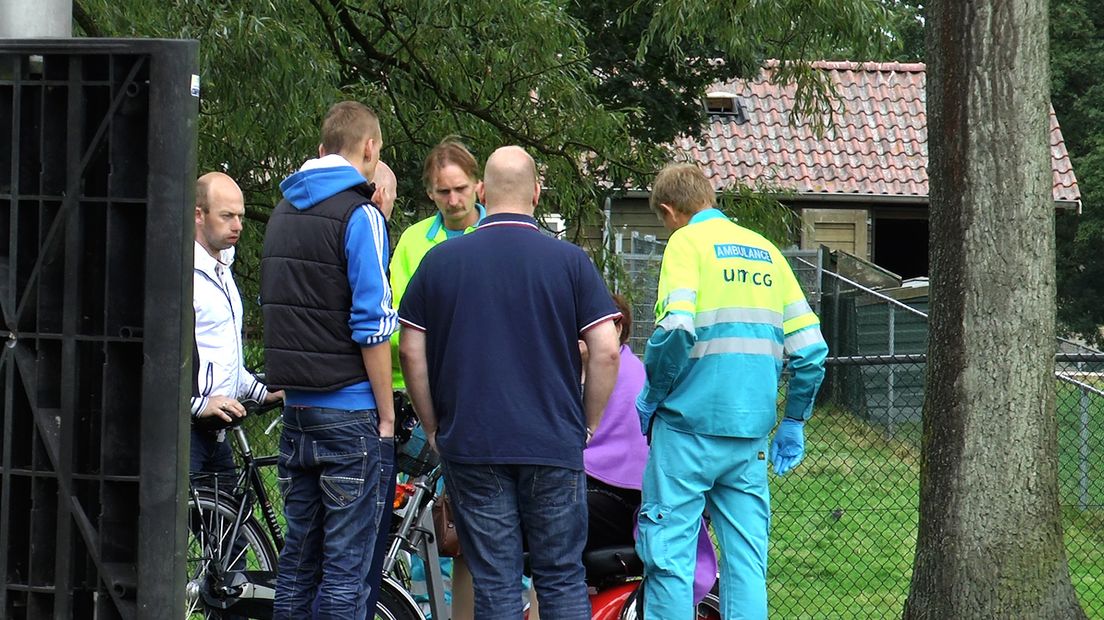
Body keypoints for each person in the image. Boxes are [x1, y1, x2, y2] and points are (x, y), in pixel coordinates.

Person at [399, 145, 622, 620]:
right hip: (552, 441)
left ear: (481, 191)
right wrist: (586, 422)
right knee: (561, 578)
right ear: (537, 193)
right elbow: (605, 348)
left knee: (495, 582)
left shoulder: (439, 262)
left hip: (473, 442)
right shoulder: (570, 262)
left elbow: (409, 348)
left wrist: (434, 425)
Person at [634, 163, 828, 619]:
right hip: (750, 440)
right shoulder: (766, 252)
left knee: (669, 559)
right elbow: (811, 351)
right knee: (746, 565)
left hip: (686, 433)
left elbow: (677, 328)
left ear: (669, 212)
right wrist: (794, 421)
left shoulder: (685, 244)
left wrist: (652, 396)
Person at [260, 101, 396, 620]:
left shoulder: (281, 211)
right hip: (350, 412)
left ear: (321, 150)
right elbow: (373, 324)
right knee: (346, 572)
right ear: (368, 148)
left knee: (296, 564)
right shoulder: (360, 214)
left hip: (296, 412)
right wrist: (384, 414)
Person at [529, 295, 717, 620]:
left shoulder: (614, 374)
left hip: (628, 501)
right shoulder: (606, 370)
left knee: (544, 522)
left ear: (615, 327)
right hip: (627, 496)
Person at [390, 138, 486, 620]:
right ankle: (428, 610)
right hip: (422, 396)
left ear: (480, 186)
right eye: (443, 191)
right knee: (424, 522)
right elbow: (399, 324)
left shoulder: (500, 233)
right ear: (429, 193)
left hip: (480, 398)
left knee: (481, 525)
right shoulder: (413, 242)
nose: (453, 200)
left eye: (461, 189)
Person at [190, 171, 281, 477]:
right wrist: (197, 404)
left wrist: (261, 391)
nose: (238, 225)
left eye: (240, 216)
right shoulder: (182, 272)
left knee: (232, 524)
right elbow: (159, 357)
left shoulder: (222, 266)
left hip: (216, 430)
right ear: (198, 215)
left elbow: (221, 356)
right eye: (227, 216)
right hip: (185, 430)